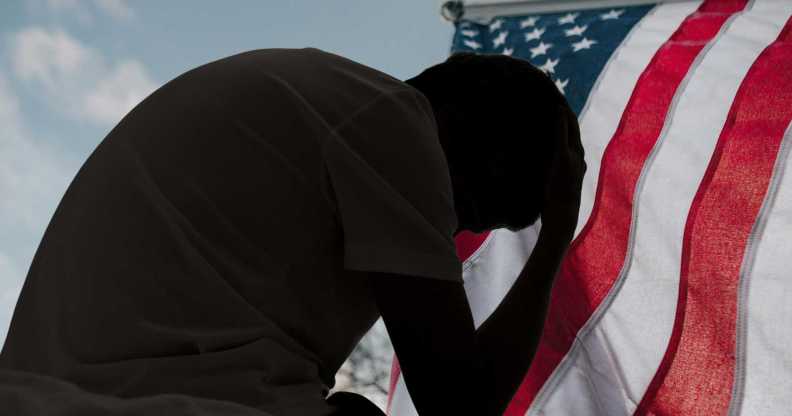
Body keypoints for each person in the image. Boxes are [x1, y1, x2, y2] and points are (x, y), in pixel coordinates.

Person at [0, 47, 584, 415]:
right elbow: (460, 402)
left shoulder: (335, 100)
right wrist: (556, 237)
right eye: (469, 210)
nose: (448, 229)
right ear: (482, 143)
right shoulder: (397, 121)